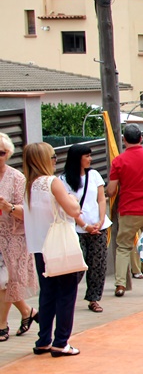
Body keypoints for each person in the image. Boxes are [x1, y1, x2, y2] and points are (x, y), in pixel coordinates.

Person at [23, 142, 87, 357]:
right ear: (44, 160)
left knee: (47, 293)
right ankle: (61, 341)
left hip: (39, 247)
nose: (54, 161)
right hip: (59, 246)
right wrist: (72, 198)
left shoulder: (28, 185)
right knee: (67, 293)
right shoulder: (52, 182)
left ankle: (43, 340)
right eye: (52, 158)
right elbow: (73, 210)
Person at [107, 124, 143, 297]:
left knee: (123, 247)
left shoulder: (119, 161)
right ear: (141, 138)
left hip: (129, 208)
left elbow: (111, 190)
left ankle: (120, 284)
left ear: (124, 140)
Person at [61, 143, 109, 313]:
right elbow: (67, 206)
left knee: (98, 265)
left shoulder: (94, 175)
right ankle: (67, 297)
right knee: (77, 266)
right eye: (86, 156)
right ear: (77, 158)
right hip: (77, 229)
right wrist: (84, 225)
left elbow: (101, 199)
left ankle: (94, 299)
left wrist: (101, 220)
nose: (90, 159)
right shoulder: (64, 180)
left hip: (98, 227)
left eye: (90, 155)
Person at [0, 133, 38, 341]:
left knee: (5, 282)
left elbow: (27, 211)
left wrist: (9, 207)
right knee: (4, 282)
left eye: (1, 153)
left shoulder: (17, 178)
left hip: (12, 238)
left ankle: (2, 325)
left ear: (8, 154)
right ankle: (27, 312)